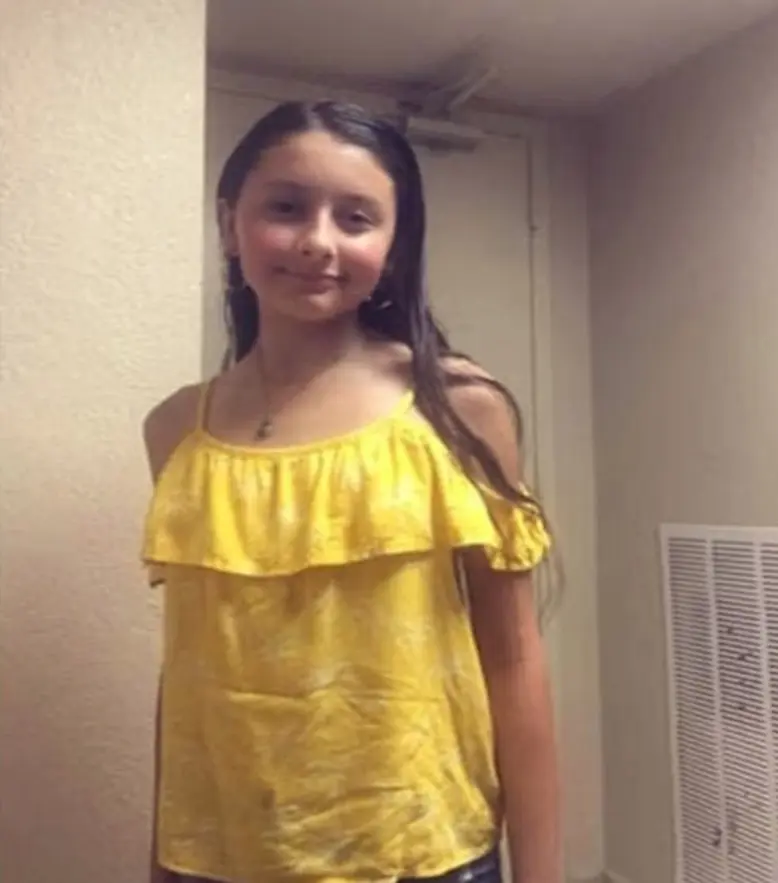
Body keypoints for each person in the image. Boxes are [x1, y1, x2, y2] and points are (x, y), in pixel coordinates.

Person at [142, 100, 560, 883]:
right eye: (286, 207)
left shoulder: (459, 407)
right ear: (231, 223)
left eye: (356, 217)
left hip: (422, 854)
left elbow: (513, 660)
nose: (318, 240)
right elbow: (191, 667)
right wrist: (162, 860)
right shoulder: (174, 431)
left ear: (393, 247)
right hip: (219, 857)